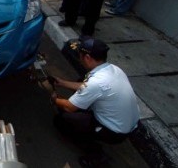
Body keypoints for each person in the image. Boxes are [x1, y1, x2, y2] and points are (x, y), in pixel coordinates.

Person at [51, 37, 139, 166]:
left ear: (87, 58)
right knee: (81, 81)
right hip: (129, 124)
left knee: (61, 120)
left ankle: (97, 156)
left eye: (80, 55)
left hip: (114, 132)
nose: (79, 59)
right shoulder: (113, 69)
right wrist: (62, 83)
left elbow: (70, 107)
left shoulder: (96, 82)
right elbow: (85, 85)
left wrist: (54, 99)